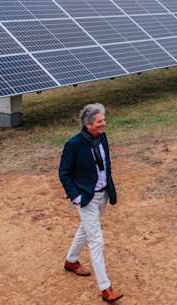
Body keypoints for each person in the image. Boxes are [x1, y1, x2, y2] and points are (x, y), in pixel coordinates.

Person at [59, 103, 124, 302]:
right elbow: (64, 173)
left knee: (86, 230)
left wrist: (108, 189)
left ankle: (71, 261)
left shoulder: (102, 137)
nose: (104, 124)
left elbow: (106, 165)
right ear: (88, 124)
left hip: (103, 195)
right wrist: (77, 198)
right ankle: (106, 288)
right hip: (86, 199)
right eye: (99, 121)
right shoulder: (74, 145)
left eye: (104, 120)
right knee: (96, 239)